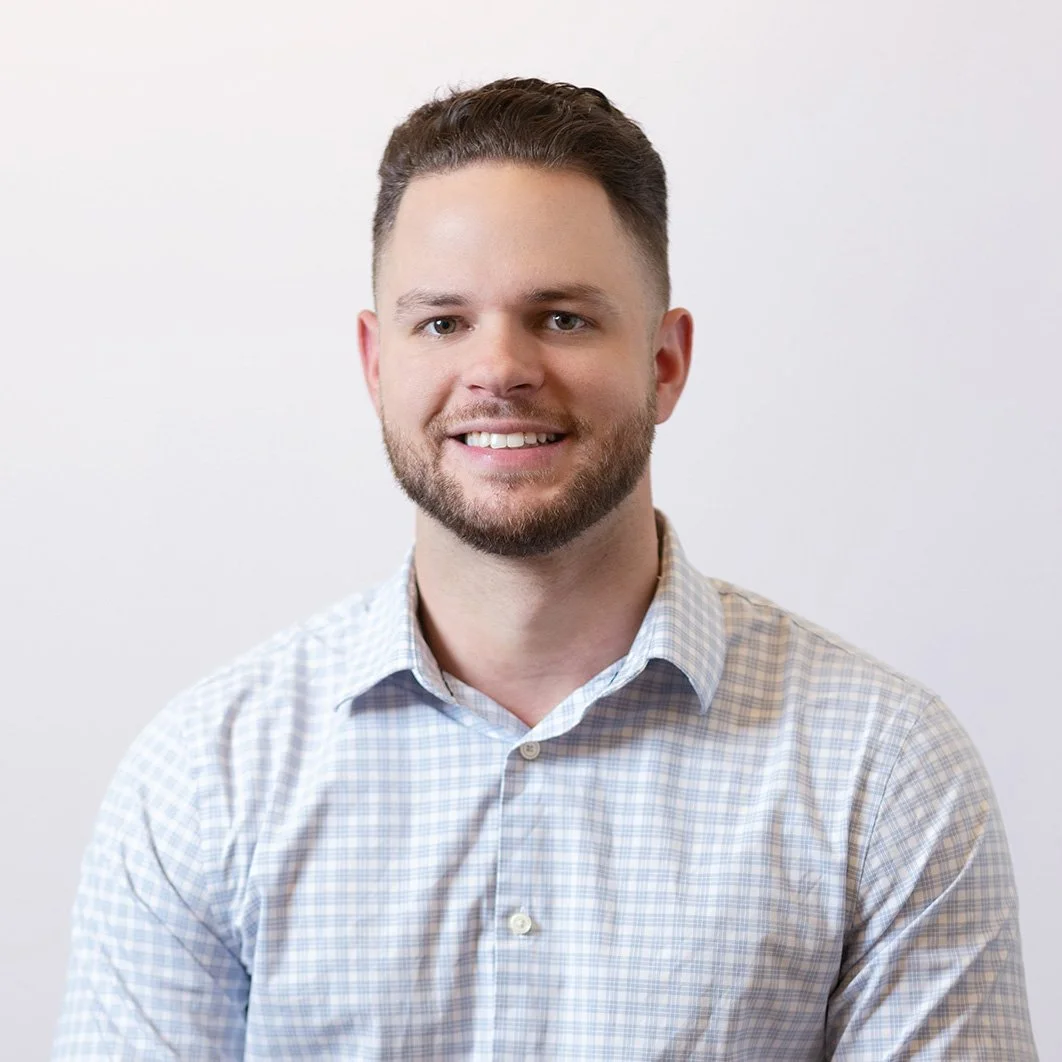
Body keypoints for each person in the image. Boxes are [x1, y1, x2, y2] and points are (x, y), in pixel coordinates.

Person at [53, 77, 1037, 1060]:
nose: (500, 371)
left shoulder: (884, 771)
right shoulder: (205, 778)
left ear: (665, 362)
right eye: (442, 322)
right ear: (375, 364)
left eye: (562, 317)